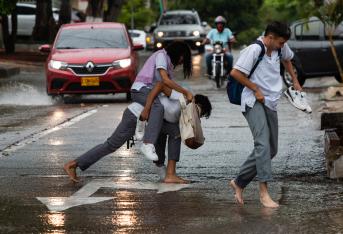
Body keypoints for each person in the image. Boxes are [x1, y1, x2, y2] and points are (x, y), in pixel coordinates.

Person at [63, 82, 212, 183]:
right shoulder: (182, 99)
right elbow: (160, 86)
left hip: (147, 123)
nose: (198, 118)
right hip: (135, 116)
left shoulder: (182, 114)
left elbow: (169, 132)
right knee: (111, 145)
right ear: (198, 106)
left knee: (174, 133)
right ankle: (74, 164)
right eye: (201, 114)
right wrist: (147, 108)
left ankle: (167, 173)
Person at [229, 21, 302, 208]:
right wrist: (255, 89)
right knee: (262, 143)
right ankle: (264, 193)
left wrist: (295, 81)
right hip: (253, 100)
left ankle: (239, 182)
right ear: (270, 38)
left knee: (271, 149)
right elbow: (235, 73)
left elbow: (288, 59)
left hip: (270, 101)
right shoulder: (254, 50)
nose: (283, 46)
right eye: (280, 42)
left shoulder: (279, 48)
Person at [131, 41, 194, 162]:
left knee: (169, 123)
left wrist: (183, 99)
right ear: (178, 53)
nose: (182, 61)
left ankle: (142, 122)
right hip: (141, 89)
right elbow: (165, 81)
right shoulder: (161, 55)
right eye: (182, 57)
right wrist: (186, 92)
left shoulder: (168, 64)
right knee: (158, 108)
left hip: (152, 92)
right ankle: (147, 144)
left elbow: (167, 90)